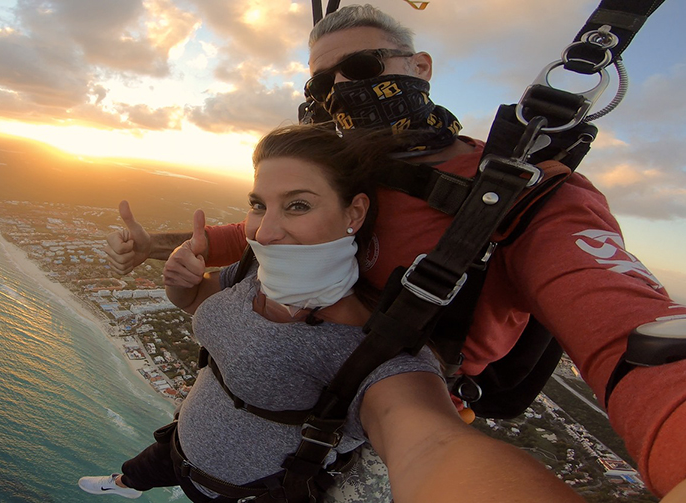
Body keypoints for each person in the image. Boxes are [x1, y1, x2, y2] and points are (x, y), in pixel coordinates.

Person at [104, 5, 686, 498]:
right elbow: (258, 232)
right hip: (286, 364)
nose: (340, 91)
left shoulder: (529, 195)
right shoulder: (345, 168)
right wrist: (156, 245)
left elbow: (627, 325)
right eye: (320, 84)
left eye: (359, 66)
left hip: (398, 394)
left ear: (419, 67)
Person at [81, 123, 585, 503]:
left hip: (257, 492)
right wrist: (180, 288)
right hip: (180, 446)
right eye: (259, 204)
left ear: (355, 214)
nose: (267, 231)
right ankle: (126, 483)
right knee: (142, 469)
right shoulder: (255, 270)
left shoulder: (373, 350)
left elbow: (430, 444)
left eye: (297, 205)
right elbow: (203, 302)